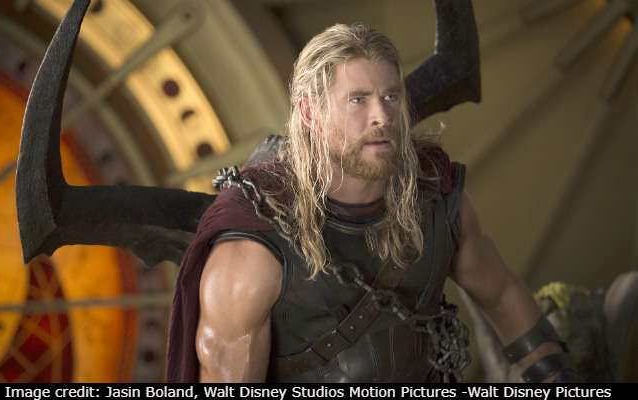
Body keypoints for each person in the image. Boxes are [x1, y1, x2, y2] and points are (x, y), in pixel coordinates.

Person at [166, 23, 579, 383]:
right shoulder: (252, 248)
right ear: (310, 111)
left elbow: (502, 296)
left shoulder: (438, 198)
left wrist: (559, 379)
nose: (382, 116)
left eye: (392, 96)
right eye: (358, 99)